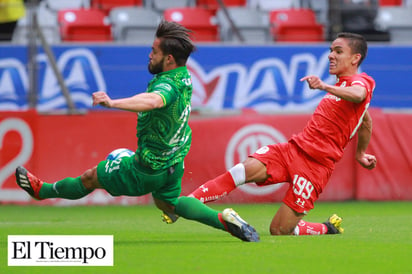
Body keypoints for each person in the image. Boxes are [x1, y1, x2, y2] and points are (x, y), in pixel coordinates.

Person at [15, 20, 259, 242]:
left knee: (91, 177)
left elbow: (153, 101)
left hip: (147, 169)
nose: (149, 55)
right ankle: (223, 220)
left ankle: (42, 191)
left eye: (155, 52)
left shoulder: (168, 84)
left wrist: (113, 103)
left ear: (169, 59)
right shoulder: (183, 76)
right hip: (174, 162)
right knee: (169, 203)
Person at [181, 32, 377, 236]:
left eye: (338, 51)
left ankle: (326, 228)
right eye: (330, 51)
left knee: (279, 230)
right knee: (241, 171)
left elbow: (359, 94)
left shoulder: (362, 81)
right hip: (292, 150)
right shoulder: (340, 89)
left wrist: (323, 86)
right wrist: (361, 153)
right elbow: (366, 120)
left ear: (355, 58)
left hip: (316, 167)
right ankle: (186, 203)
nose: (330, 56)